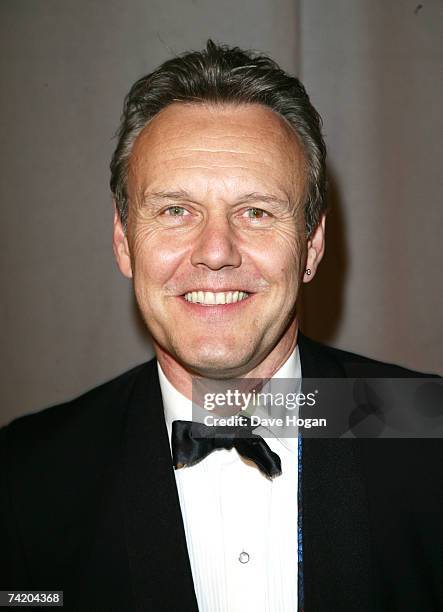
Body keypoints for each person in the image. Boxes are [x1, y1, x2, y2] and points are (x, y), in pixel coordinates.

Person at [1, 40, 441, 612]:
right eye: (175, 211)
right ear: (122, 241)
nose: (215, 252)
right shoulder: (25, 479)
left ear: (311, 245)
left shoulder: (429, 436)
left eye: (255, 212)